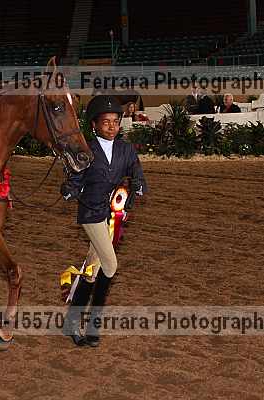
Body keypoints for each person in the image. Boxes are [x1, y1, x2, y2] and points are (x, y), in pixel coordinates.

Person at [60, 95, 147, 347]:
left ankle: (71, 321)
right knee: (110, 265)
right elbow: (76, 180)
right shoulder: (85, 150)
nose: (112, 126)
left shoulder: (125, 149)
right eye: (106, 122)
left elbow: (136, 172)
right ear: (94, 124)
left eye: (116, 122)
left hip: (112, 214)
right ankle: (93, 323)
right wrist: (69, 189)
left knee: (93, 269)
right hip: (91, 214)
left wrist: (138, 186)